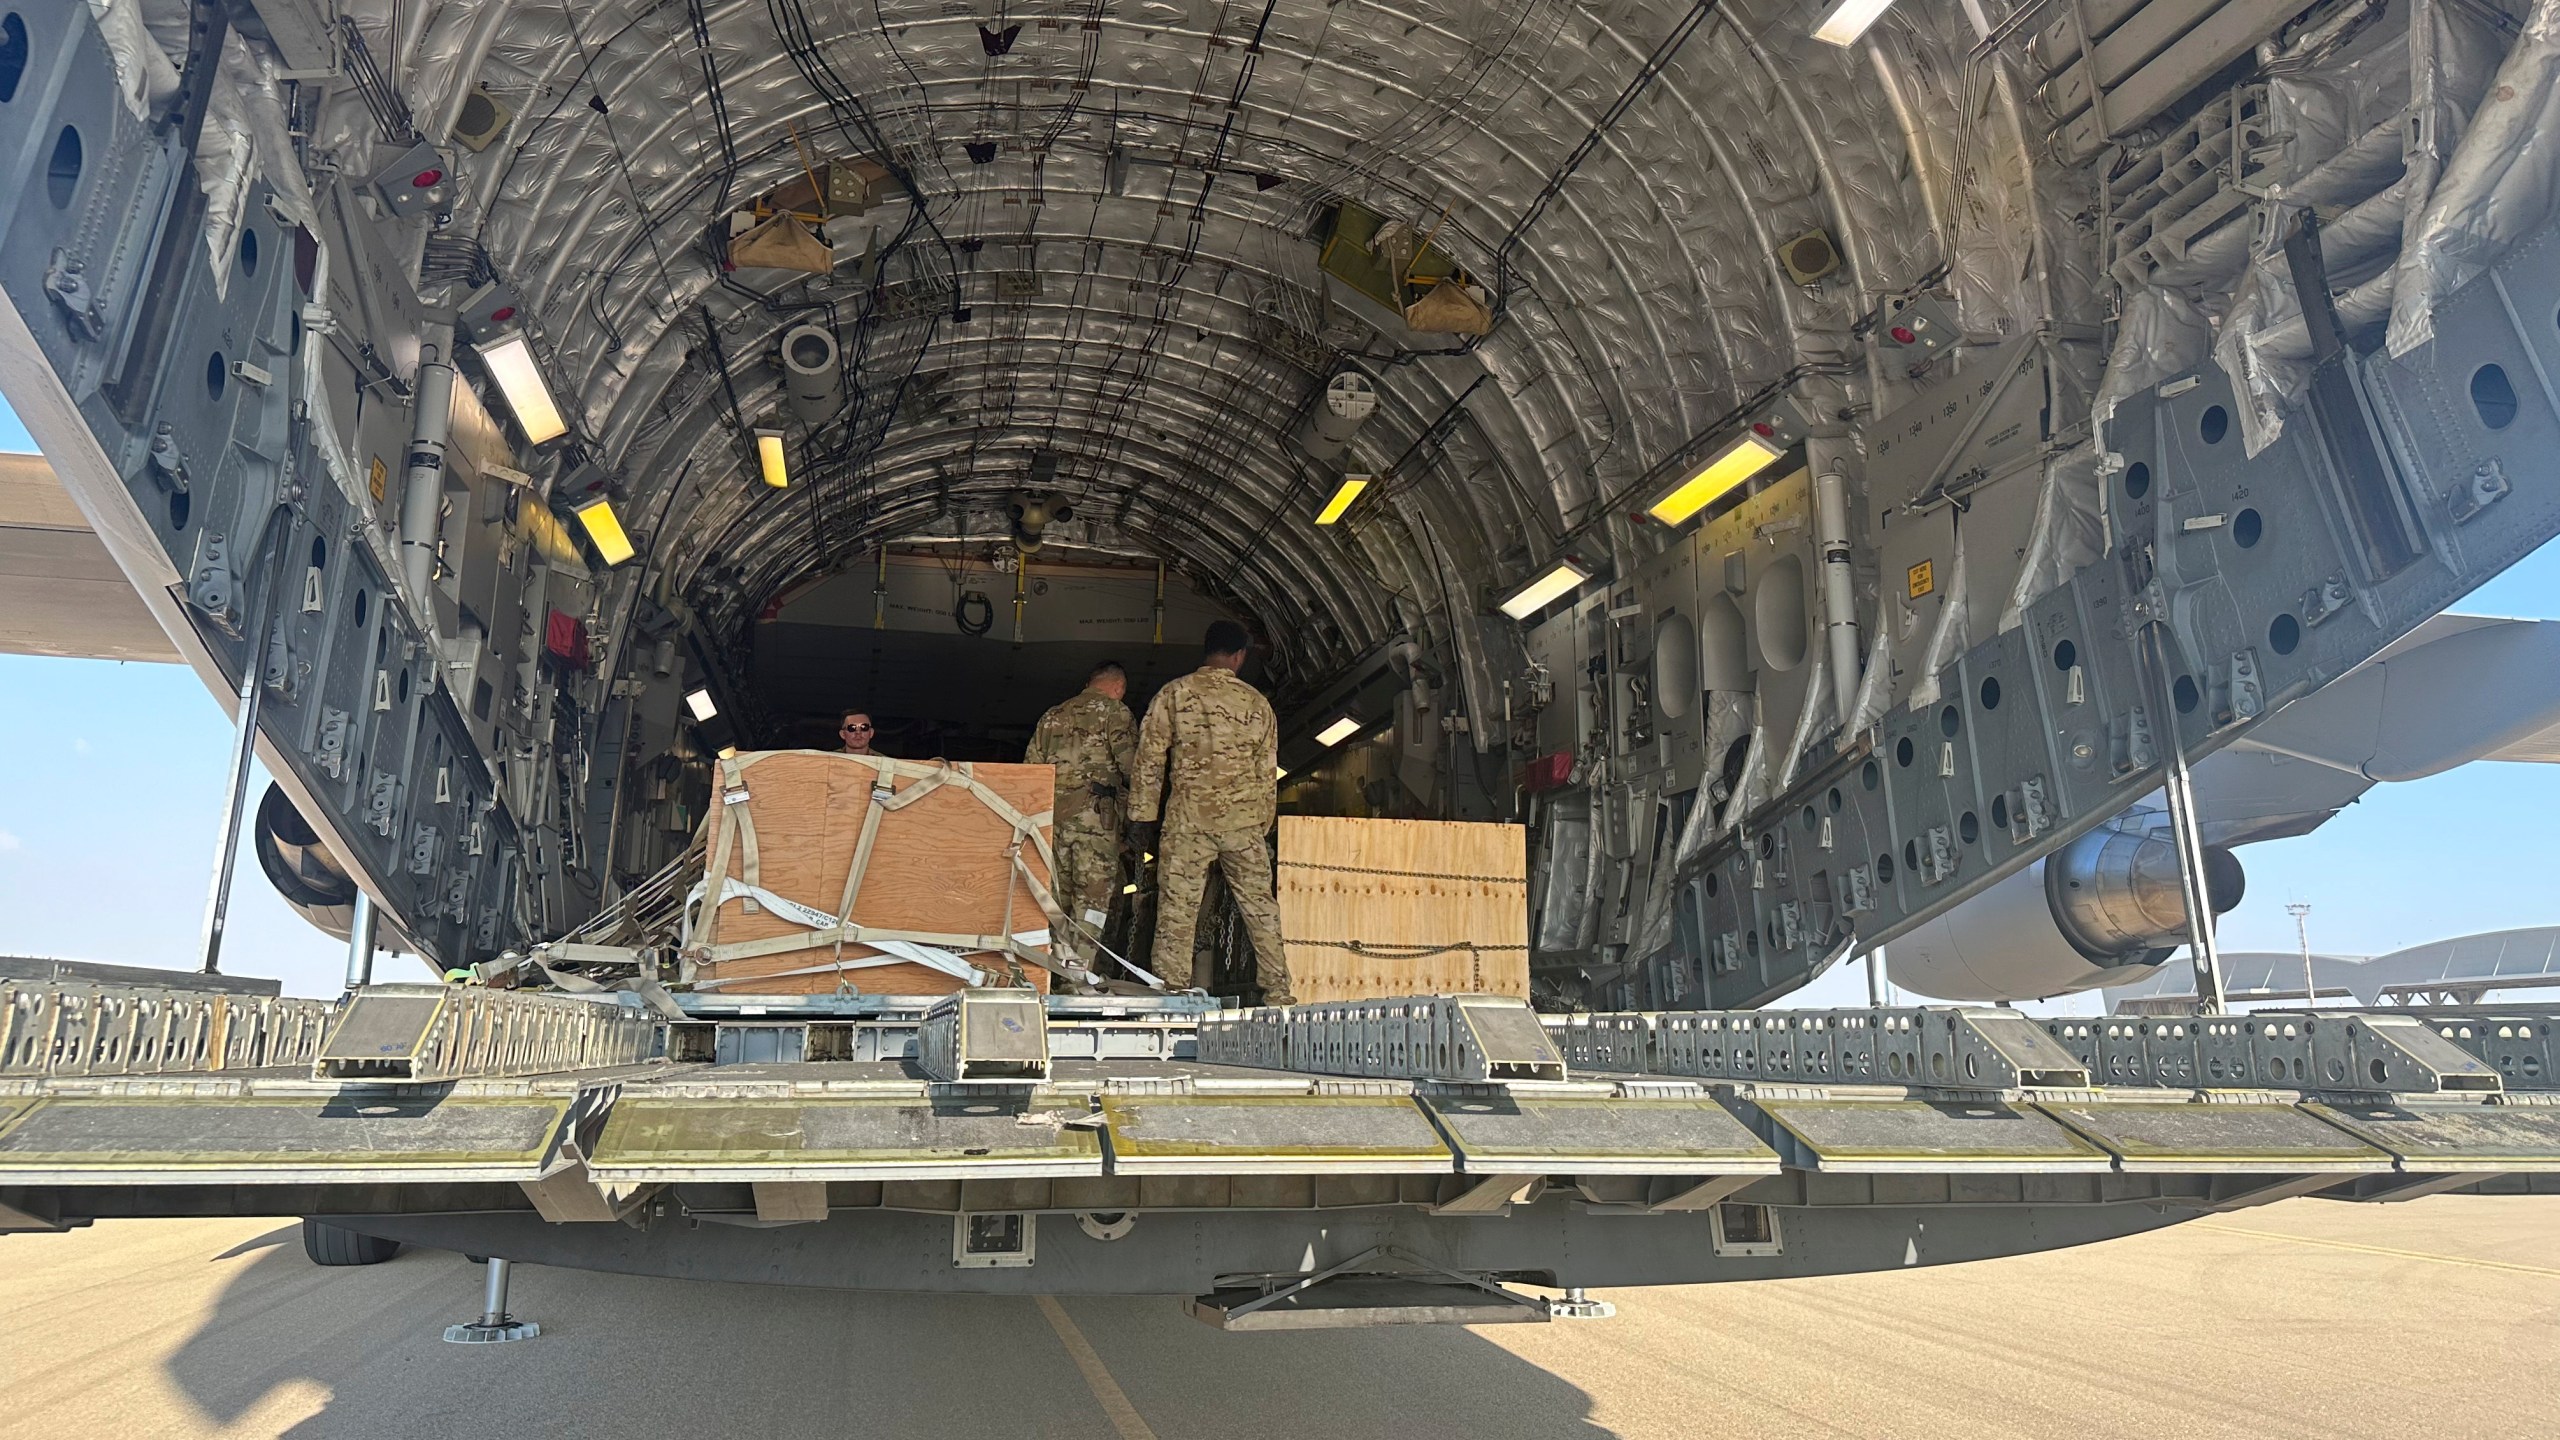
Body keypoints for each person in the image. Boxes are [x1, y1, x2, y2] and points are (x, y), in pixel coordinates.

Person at [1130, 621, 1291, 1002]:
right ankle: (1279, 992)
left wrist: (1142, 817)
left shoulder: (1175, 693)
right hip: (1243, 825)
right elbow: (1267, 771)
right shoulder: (1257, 704)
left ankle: (1171, 992)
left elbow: (1149, 758)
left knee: (1178, 911)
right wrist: (1261, 823)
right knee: (1260, 910)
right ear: (1239, 657)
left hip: (1189, 823)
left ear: (1207, 651)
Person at [1024, 661, 1138, 957]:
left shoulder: (1052, 716)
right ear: (1118, 688)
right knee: (1092, 906)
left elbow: (1030, 774)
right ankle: (1078, 980)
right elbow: (1133, 769)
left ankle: (1051, 974)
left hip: (1053, 826)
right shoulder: (1117, 712)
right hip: (1097, 827)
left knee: (1054, 904)